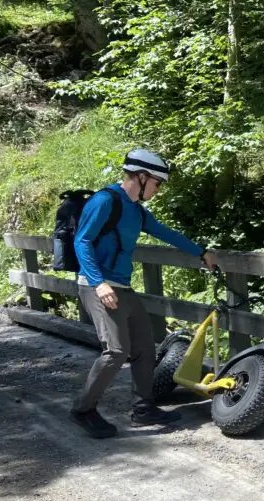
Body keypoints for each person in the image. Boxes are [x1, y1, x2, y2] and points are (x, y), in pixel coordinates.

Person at [70, 148, 217, 438]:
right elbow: (82, 241)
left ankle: (142, 409)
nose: (158, 190)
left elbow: (165, 232)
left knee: (145, 348)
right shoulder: (104, 201)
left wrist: (201, 252)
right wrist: (99, 283)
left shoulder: (135, 210)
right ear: (141, 177)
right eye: (157, 183)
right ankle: (82, 409)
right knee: (115, 351)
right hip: (95, 285)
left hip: (122, 287)